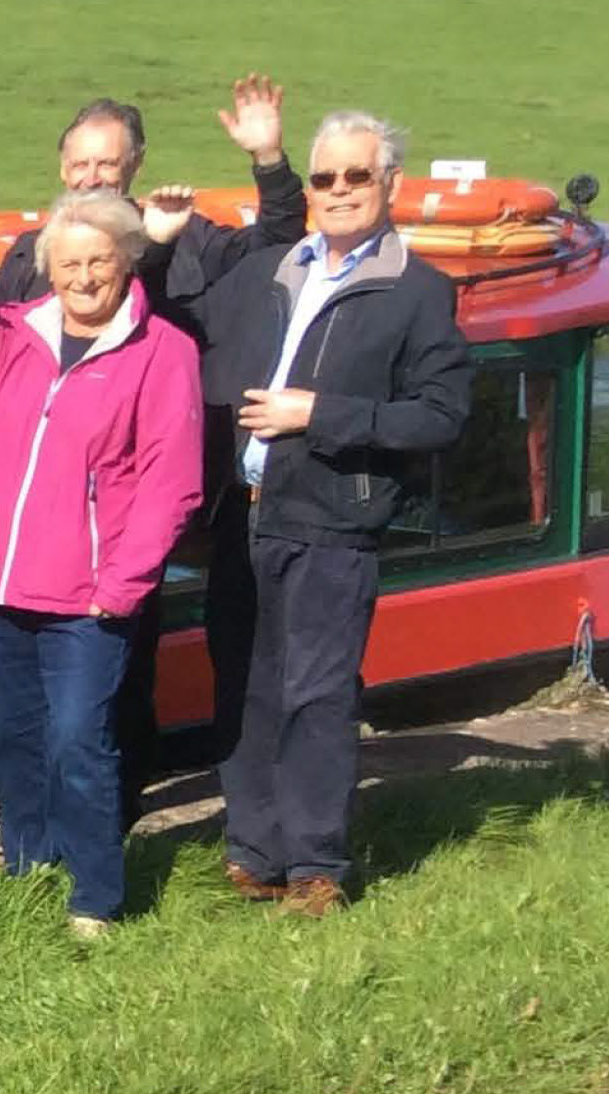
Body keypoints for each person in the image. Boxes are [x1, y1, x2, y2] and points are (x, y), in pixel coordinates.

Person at [0, 79, 307, 825]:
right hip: (39, 501)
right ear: (60, 167)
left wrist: (268, 160)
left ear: (133, 166)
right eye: (80, 165)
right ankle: (31, 824)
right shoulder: (30, 255)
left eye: (108, 164)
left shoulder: (191, 235)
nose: (92, 177)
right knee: (27, 676)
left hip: (131, 497)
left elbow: (279, 247)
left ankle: (112, 813)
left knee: (119, 662)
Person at [0, 183, 205, 933]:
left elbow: (171, 484)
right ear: (46, 267)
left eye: (97, 260)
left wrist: (121, 585)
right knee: (13, 740)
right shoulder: (16, 331)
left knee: (78, 742)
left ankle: (94, 897)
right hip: (2, 584)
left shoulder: (163, 353)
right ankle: (27, 871)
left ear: (126, 262)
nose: (82, 278)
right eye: (66, 263)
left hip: (90, 597)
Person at [201, 112, 471, 917]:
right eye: (325, 178)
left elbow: (440, 415)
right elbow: (191, 328)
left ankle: (317, 865)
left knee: (315, 692)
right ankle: (254, 851)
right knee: (244, 686)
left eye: (357, 176)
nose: (340, 190)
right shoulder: (266, 272)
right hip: (241, 514)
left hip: (330, 520)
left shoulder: (416, 292)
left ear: (391, 185)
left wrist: (319, 415)